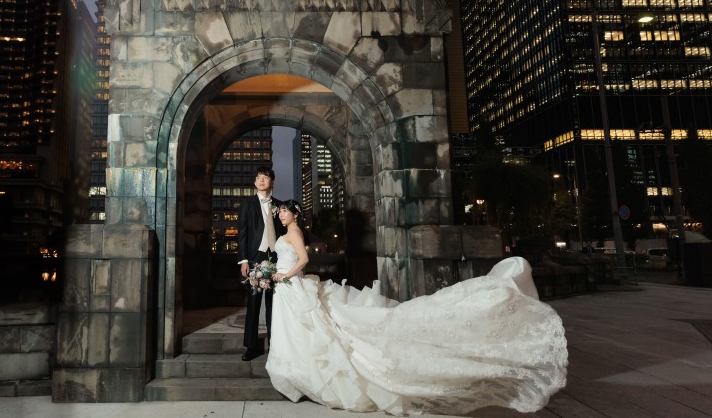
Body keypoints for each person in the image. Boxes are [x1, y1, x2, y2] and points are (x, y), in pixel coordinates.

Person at [265, 200, 568, 416]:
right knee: (296, 334)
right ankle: (297, 373)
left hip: (293, 286)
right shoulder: (283, 234)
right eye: (278, 213)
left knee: (317, 332)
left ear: (295, 214)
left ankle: (305, 376)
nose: (281, 216)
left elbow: (303, 261)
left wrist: (281, 275)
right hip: (288, 290)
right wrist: (268, 273)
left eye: (284, 212)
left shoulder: (295, 234)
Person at [237, 166, 284, 361]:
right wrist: (244, 260)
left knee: (274, 303)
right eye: (258, 177)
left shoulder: (280, 205)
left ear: (272, 181)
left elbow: (284, 231)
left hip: (276, 258)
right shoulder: (247, 204)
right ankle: (251, 346)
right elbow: (243, 233)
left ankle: (275, 344)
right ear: (255, 182)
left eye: (265, 177)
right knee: (254, 302)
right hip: (255, 258)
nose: (261, 180)